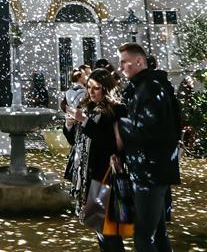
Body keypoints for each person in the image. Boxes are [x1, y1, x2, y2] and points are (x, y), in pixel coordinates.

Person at [114, 42, 181, 252]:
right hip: (149, 168)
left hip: (150, 171)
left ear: (139, 61)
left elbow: (148, 130)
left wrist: (118, 125)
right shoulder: (145, 86)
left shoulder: (151, 87)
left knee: (143, 235)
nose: (120, 67)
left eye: (124, 62)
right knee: (157, 232)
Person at [64, 68, 127, 252]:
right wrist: (69, 125)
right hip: (87, 175)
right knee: (99, 228)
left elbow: (111, 144)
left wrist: (84, 121)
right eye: (89, 87)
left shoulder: (116, 110)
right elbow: (74, 141)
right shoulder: (87, 107)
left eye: (97, 88)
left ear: (106, 88)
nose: (91, 92)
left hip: (105, 175)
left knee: (109, 230)